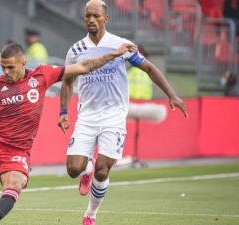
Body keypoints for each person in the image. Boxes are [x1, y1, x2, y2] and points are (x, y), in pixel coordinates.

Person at [0, 42, 137, 225]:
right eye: (3, 67)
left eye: (10, 67)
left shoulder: (41, 76)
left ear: (23, 63)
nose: (6, 72)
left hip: (17, 151)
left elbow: (83, 66)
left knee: (15, 185)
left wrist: (114, 54)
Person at [58, 1, 188, 225]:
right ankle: (85, 171)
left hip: (114, 117)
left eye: (95, 16)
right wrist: (63, 111)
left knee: (103, 170)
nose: (90, 20)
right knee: (73, 169)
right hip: (87, 116)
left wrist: (171, 94)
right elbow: (68, 81)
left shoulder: (122, 45)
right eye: (87, 15)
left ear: (105, 19)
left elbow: (148, 67)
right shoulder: (76, 50)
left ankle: (90, 214)